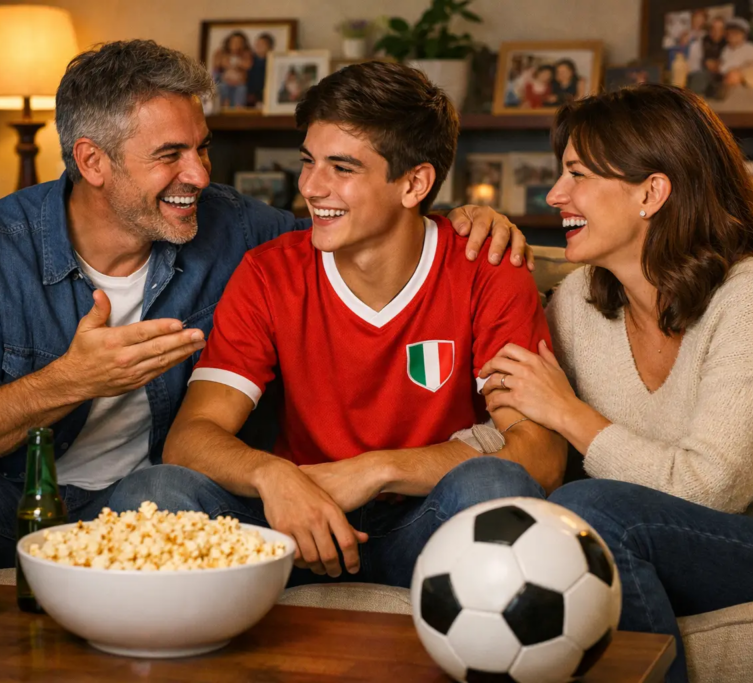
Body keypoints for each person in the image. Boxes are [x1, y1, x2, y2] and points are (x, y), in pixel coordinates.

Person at [0, 40, 530, 578]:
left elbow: (356, 233)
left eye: (201, 149)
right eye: (171, 156)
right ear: (93, 161)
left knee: (164, 485)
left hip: (156, 496)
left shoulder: (234, 228)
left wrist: (458, 216)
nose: (201, 175)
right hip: (19, 497)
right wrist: (71, 380)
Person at [107, 61, 566, 588]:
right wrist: (273, 476)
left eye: (342, 169)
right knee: (154, 492)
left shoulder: (485, 267)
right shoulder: (269, 271)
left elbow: (541, 456)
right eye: (308, 161)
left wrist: (376, 470)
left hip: (424, 525)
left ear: (414, 183)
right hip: (293, 523)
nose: (311, 186)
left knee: (494, 481)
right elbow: (190, 439)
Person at [478, 84, 753, 682]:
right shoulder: (582, 300)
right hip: (683, 539)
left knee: (590, 513)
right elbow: (514, 419)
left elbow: (712, 489)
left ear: (652, 192)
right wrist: (381, 469)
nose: (556, 195)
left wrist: (570, 414)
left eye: (578, 174)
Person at [213, 31, 252, 109]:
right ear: (229, 43)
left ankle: (238, 107)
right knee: (222, 88)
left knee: (241, 90)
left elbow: (248, 65)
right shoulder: (222, 53)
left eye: (239, 42)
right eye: (234, 42)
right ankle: (225, 105)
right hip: (226, 82)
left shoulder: (246, 54)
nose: (236, 45)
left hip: (239, 83)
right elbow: (218, 64)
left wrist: (238, 63)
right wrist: (227, 61)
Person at [246, 33, 274, 107]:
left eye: (262, 44)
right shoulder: (249, 60)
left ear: (270, 47)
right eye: (257, 44)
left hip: (266, 96)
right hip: (249, 95)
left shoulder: (273, 62)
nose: (258, 46)